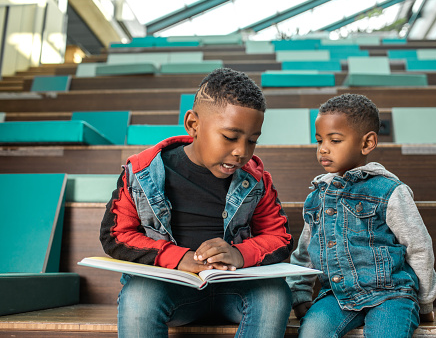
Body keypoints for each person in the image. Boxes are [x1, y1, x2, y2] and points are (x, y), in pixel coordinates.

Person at [99, 68, 293, 338]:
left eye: (252, 141)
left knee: (274, 294)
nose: (241, 152)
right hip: (169, 289)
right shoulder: (143, 173)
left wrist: (240, 254)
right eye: (229, 137)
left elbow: (279, 238)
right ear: (193, 124)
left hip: (234, 289)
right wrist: (178, 258)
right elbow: (115, 235)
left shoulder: (255, 180)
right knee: (139, 296)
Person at [286, 93, 436, 337]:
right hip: (338, 295)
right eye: (319, 140)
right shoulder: (317, 196)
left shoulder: (389, 191)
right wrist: (300, 294)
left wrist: (425, 302)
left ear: (367, 143)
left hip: (391, 294)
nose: (323, 148)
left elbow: (418, 246)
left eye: (334, 140)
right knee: (312, 332)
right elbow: (305, 252)